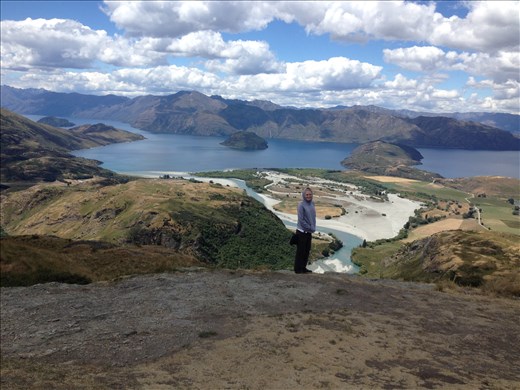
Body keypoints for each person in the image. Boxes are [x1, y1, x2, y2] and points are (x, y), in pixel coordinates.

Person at [294, 187, 316, 274]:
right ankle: (298, 269)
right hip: (301, 232)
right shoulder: (301, 205)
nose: (308, 196)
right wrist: (311, 228)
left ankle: (303, 268)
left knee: (306, 251)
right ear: (303, 195)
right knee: (300, 252)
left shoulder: (312, 204)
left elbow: (312, 218)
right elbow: (301, 220)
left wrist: (312, 227)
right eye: (307, 194)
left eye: (310, 194)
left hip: (309, 232)